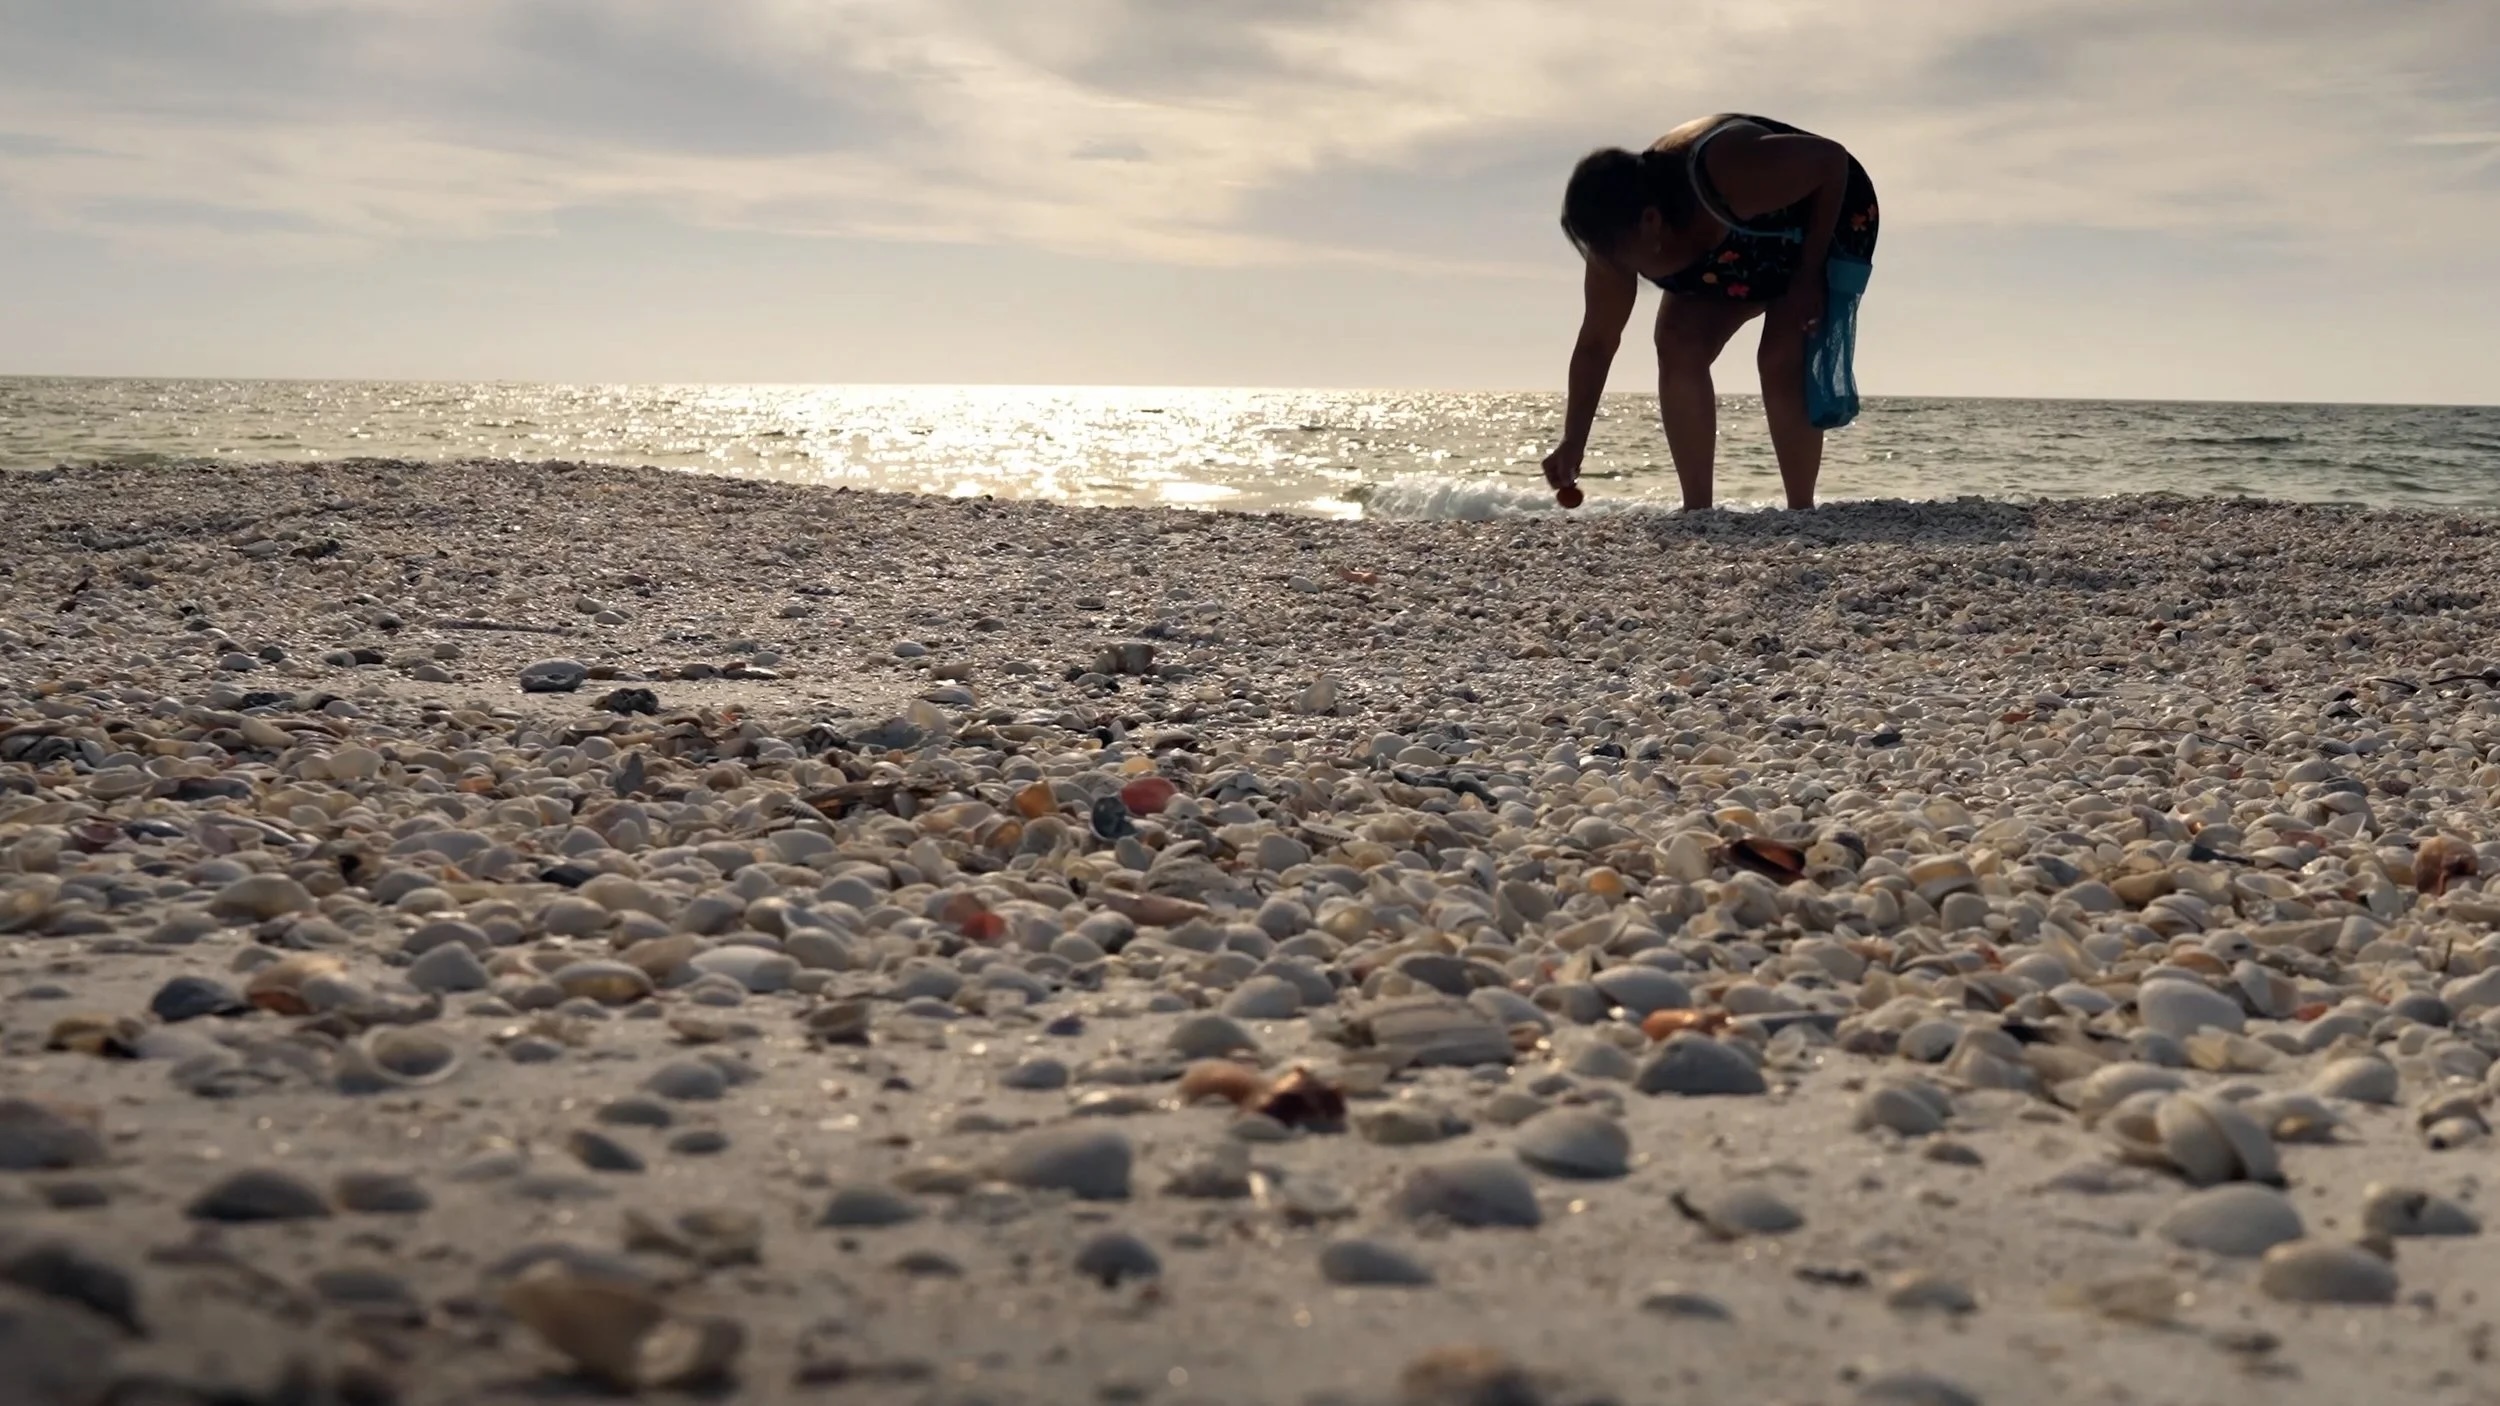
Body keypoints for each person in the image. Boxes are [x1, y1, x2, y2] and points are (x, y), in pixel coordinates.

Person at [1541, 113, 1879, 512]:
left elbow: (1831, 161)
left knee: (1779, 355)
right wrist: (1573, 440)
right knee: (1677, 343)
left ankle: (1801, 509)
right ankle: (1698, 510)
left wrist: (1808, 274)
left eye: (1615, 254)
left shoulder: (1726, 168)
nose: (1609, 265)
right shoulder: (1612, 241)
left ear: (1650, 221)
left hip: (1825, 214)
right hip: (1735, 250)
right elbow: (1597, 343)